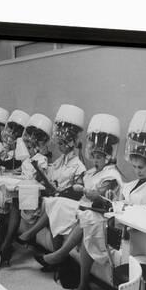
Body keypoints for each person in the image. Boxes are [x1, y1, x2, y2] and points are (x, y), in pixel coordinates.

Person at [63, 110, 146, 290]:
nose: (137, 171)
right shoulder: (132, 183)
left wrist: (121, 206)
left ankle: (80, 282)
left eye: (141, 168)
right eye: (134, 167)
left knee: (90, 221)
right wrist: (113, 200)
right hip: (118, 224)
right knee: (89, 220)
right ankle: (80, 282)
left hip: (134, 234)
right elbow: (118, 200)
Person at [28, 115, 123, 277]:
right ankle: (55, 257)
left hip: (102, 215)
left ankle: (56, 255)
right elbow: (77, 187)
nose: (95, 160)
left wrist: (82, 190)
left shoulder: (112, 175)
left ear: (108, 157)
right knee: (54, 203)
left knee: (71, 210)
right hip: (84, 207)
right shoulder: (93, 171)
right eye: (93, 156)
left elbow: (96, 195)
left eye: (98, 157)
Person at [17, 104, 87, 248]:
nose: (59, 147)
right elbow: (49, 179)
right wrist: (40, 174)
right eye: (58, 143)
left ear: (71, 143)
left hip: (68, 203)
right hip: (56, 197)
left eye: (62, 143)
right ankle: (46, 251)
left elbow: (77, 192)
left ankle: (31, 237)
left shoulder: (79, 166)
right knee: (47, 202)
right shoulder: (59, 161)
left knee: (53, 205)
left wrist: (55, 189)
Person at [0, 113, 53, 265]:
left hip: (37, 196)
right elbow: (20, 172)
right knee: (11, 201)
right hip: (27, 192)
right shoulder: (28, 159)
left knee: (14, 203)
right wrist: (8, 174)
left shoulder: (41, 160)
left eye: (30, 147)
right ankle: (6, 243)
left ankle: (6, 244)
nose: (28, 149)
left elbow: (40, 180)